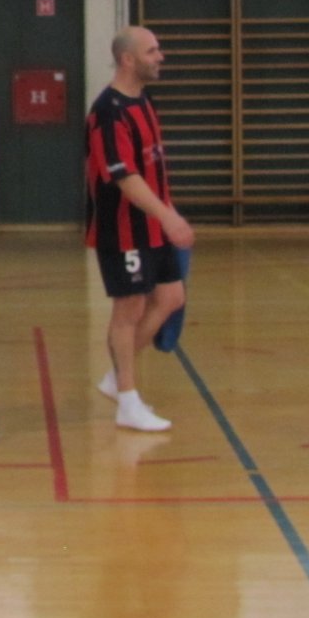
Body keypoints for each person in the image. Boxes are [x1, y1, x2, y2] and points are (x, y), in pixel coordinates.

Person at [87, 26, 195, 432]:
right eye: (152, 51)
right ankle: (128, 400)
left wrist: (169, 212)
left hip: (153, 223)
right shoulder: (108, 111)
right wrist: (167, 217)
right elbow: (124, 176)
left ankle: (116, 378)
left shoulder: (144, 102)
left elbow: (152, 168)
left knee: (171, 297)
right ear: (128, 59)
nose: (160, 56)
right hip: (123, 229)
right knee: (129, 309)